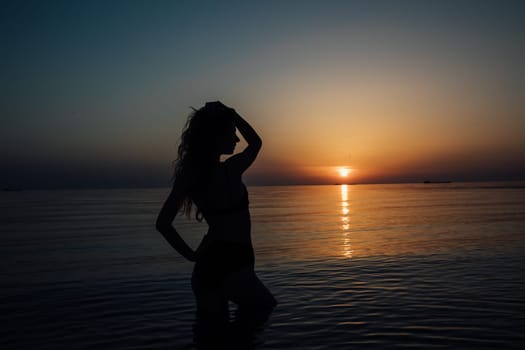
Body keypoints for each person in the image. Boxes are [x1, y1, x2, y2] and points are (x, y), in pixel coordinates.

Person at [156, 101, 276, 346]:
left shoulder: (190, 175)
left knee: (209, 339)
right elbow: (256, 143)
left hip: (207, 266)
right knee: (263, 312)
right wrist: (234, 113)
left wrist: (192, 255)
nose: (236, 138)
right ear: (216, 136)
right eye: (231, 132)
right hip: (234, 262)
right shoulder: (230, 170)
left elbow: (163, 224)